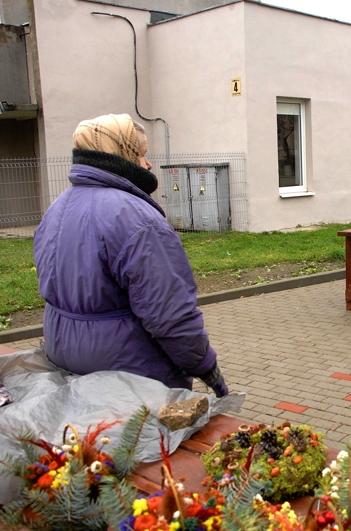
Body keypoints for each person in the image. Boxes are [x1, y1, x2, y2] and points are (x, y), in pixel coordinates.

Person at [33, 114, 228, 396]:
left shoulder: (58, 208)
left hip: (65, 358)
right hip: (131, 375)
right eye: (141, 155)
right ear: (121, 155)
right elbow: (170, 315)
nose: (148, 164)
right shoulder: (136, 218)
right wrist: (205, 367)